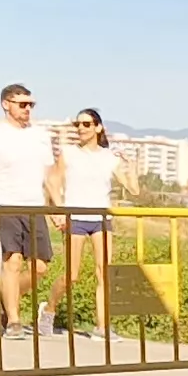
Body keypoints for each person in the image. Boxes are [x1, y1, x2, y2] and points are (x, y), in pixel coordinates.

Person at [0, 83, 58, 337]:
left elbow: (50, 176)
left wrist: (57, 208)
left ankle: (6, 298)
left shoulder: (40, 135)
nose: (27, 109)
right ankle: (13, 320)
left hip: (34, 206)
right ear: (6, 104)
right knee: (12, 262)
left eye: (31, 104)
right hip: (5, 204)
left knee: (40, 266)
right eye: (22, 104)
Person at [59, 109, 121, 280]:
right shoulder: (69, 153)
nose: (81, 128)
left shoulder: (109, 156)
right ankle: (49, 306)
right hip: (75, 217)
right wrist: (57, 213)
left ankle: (102, 308)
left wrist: (130, 166)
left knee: (103, 274)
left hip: (101, 219)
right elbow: (53, 182)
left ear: (98, 128)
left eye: (86, 124)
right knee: (71, 275)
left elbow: (134, 189)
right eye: (77, 124)